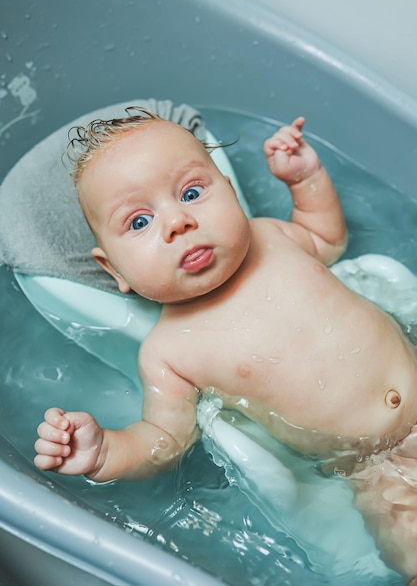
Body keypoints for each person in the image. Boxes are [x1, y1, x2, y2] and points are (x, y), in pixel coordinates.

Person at [34, 108, 417, 583]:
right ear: (114, 271)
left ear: (232, 196)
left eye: (191, 193)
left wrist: (306, 180)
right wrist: (105, 452)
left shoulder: (273, 236)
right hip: (379, 470)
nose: (177, 221)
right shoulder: (169, 354)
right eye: (139, 222)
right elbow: (164, 441)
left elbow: (327, 237)